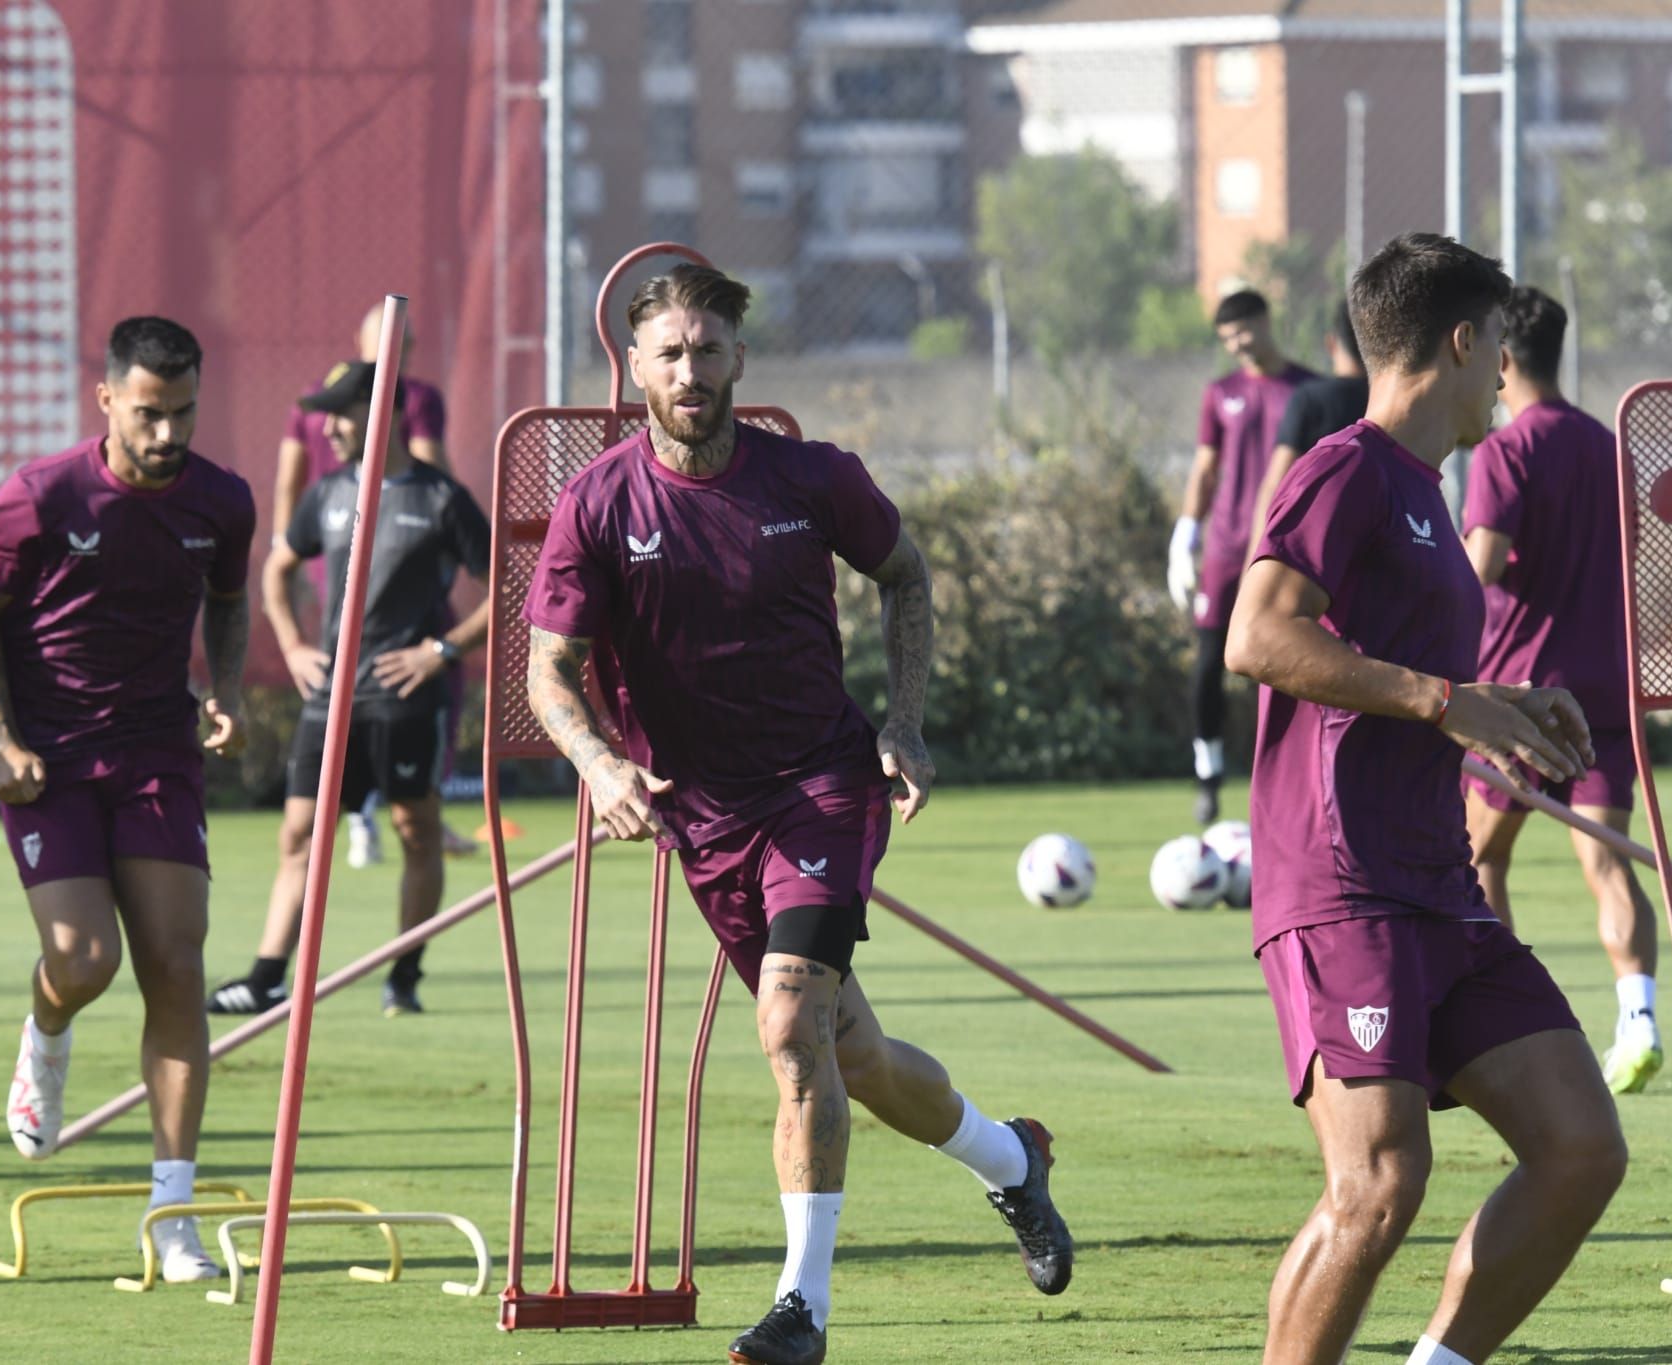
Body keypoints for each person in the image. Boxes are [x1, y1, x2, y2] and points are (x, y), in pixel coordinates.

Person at [524, 263, 1072, 1365]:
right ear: (635, 367)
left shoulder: (812, 477)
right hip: (703, 818)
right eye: (669, 353)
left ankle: (801, 1309)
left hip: (823, 787)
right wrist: (598, 764)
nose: (690, 371)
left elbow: (905, 575)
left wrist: (903, 724)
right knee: (850, 1055)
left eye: (707, 349)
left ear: (739, 358)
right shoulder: (599, 503)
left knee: (786, 1025)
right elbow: (549, 669)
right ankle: (1013, 1160)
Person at [1226, 233, 1627, 1365]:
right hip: (1340, 883)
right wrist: (1446, 700)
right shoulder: (1344, 468)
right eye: (1497, 343)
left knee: (1580, 1146)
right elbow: (1258, 637)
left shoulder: (1424, 495)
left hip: (1438, 889)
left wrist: (1503, 703)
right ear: (1460, 342)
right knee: (1378, 1183)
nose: (1505, 369)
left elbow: (1404, 676)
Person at [0, 316, 254, 1282]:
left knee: (175, 963)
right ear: (107, 401)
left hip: (158, 752)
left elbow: (228, 601)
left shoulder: (222, 500)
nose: (167, 434)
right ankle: (46, 1035)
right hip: (49, 762)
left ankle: (173, 1215)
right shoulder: (38, 497)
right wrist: (3, 742)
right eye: (148, 414)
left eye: (184, 413)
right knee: (85, 960)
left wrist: (227, 691)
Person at [209, 359, 492, 1018]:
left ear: (386, 411)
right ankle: (266, 977)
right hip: (330, 699)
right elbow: (277, 569)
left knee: (416, 830)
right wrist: (291, 645)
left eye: (343, 412)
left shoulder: (441, 498)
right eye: (326, 414)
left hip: (404, 700)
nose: (329, 427)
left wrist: (442, 650)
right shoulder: (329, 493)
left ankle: (404, 976)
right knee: (300, 833)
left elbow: (509, 587)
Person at [1461, 285, 1660, 1095]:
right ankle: (1639, 1018)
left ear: (1502, 358)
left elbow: (1479, 568)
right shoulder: (1611, 447)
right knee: (1609, 863)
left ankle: (1507, 1028)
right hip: (1605, 691)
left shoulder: (1503, 451)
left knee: (1479, 858)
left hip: (1520, 699)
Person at [271, 304, 469, 870]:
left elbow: (426, 479)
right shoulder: (392, 400)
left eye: (405, 346)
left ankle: (392, 807)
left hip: (349, 561)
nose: (398, 357)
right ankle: (380, 806)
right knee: (396, 675)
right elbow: (428, 468)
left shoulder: (406, 398)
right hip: (365, 562)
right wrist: (287, 556)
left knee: (397, 674)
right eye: (391, 344)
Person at [1168, 290, 1315, 824]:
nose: (1237, 344)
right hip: (1227, 549)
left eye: (1243, 331)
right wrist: (1187, 531)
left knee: (1282, 665)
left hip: (1285, 551)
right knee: (1209, 662)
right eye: (1227, 338)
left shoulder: (1308, 391)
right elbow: (1206, 468)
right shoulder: (1221, 393)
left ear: (1265, 322)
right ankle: (1207, 773)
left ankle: (1282, 775)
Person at [1243, 299, 1369, 568]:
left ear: (1331, 343)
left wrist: (1253, 567)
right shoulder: (1390, 402)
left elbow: (1275, 484)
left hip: (1317, 553)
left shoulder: (1311, 399)